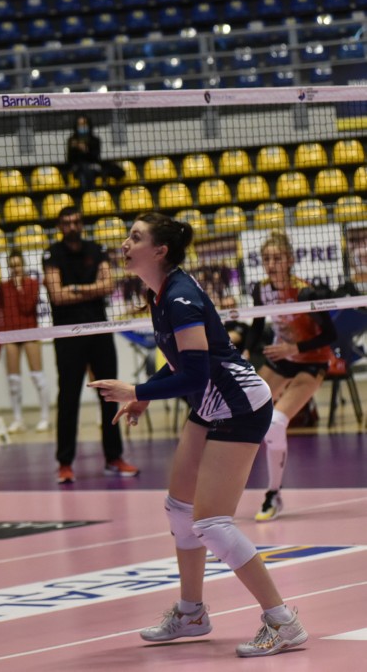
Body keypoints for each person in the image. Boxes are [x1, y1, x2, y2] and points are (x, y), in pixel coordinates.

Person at [90, 212, 308, 658]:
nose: (125, 244)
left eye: (135, 237)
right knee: (179, 508)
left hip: (239, 405)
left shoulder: (181, 298)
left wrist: (137, 390)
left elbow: (195, 374)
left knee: (211, 522)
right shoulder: (160, 293)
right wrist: (146, 395)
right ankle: (191, 613)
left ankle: (283, 621)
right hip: (211, 404)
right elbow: (183, 361)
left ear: (160, 250)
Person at [243, 231, 335, 522]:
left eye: (277, 258)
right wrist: (245, 352)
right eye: (266, 259)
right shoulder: (261, 290)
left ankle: (274, 494)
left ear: (290, 260)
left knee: (275, 422)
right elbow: (258, 325)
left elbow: (331, 335)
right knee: (239, 411)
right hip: (282, 359)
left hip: (312, 360)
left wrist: (295, 348)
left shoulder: (306, 293)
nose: (271, 264)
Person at [42, 205, 137, 484]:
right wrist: (90, 289)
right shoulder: (52, 254)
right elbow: (57, 296)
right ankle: (65, 463)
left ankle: (114, 457)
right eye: (67, 222)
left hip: (99, 331)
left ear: (81, 224)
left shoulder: (97, 250)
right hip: (68, 335)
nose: (72, 226)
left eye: (76, 221)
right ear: (60, 226)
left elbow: (108, 286)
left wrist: (74, 289)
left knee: (110, 394)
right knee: (68, 398)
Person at [0, 249, 51, 433]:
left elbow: (27, 307)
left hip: (30, 332)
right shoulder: (2, 287)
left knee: (38, 376)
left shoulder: (32, 283)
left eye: (18, 265)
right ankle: (18, 419)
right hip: (11, 334)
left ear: (23, 266)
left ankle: (45, 418)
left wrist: (19, 287)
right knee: (13, 380)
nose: (15, 269)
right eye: (12, 266)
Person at [66, 114, 102, 196]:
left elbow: (96, 157)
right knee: (83, 172)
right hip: (78, 168)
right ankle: (88, 195)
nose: (82, 126)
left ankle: (87, 194)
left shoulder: (95, 140)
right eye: (80, 124)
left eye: (84, 124)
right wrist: (74, 148)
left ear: (88, 125)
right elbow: (70, 159)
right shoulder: (72, 140)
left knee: (86, 171)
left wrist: (85, 150)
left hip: (93, 167)